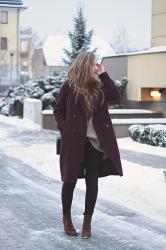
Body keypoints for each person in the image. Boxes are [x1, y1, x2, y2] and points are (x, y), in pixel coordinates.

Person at [53, 51, 123, 239]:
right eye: (94, 64)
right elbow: (58, 110)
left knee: (92, 181)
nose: (96, 66)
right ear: (85, 64)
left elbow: (116, 96)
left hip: (95, 141)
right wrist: (64, 128)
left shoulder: (99, 86)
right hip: (74, 139)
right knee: (69, 180)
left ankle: (87, 223)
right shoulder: (69, 86)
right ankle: (67, 219)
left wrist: (104, 74)